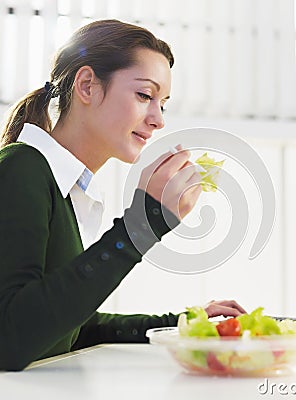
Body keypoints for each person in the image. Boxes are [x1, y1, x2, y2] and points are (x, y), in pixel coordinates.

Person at [0, 19, 245, 371]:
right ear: (87, 85)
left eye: (163, 103)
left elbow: (68, 326)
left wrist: (185, 323)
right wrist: (144, 224)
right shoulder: (22, 168)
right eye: (145, 95)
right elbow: (11, 337)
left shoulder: (63, 187)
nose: (158, 119)